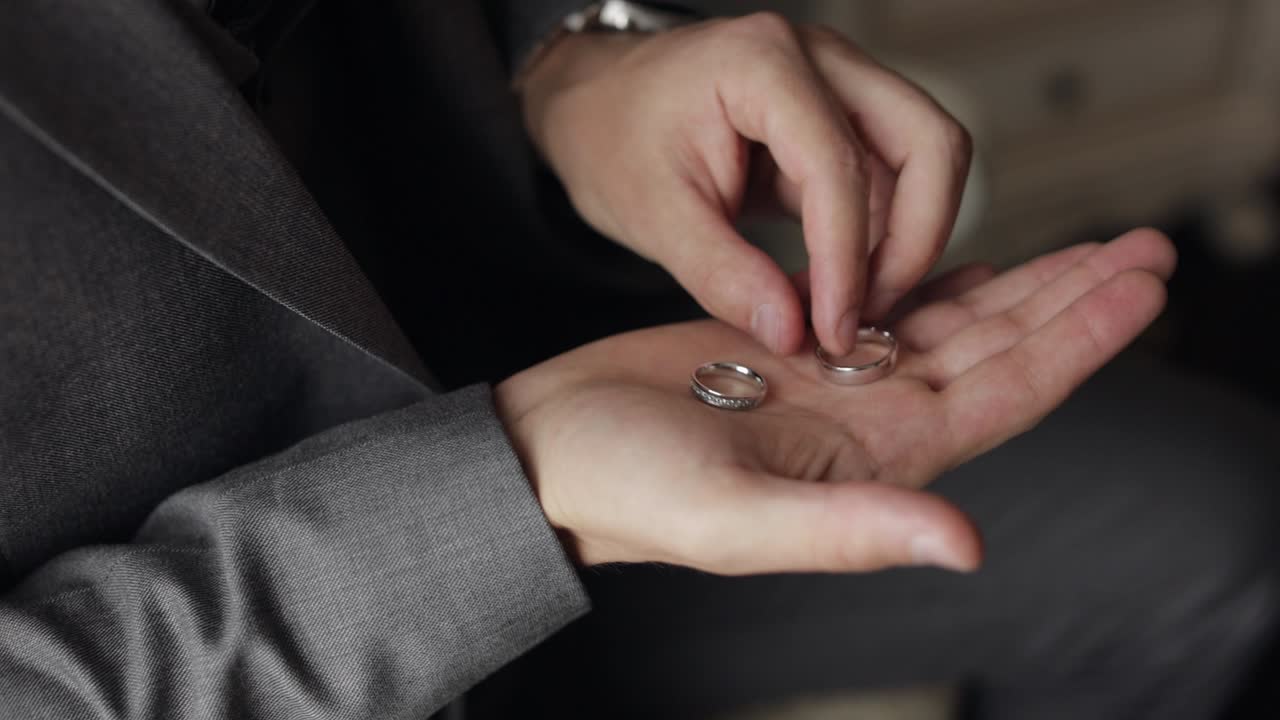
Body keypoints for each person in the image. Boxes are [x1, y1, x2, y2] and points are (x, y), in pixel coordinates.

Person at [0, 1, 1275, 719]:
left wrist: (572, 51)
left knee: (1224, 521)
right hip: (255, 616)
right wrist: (509, 487)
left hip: (548, 299)